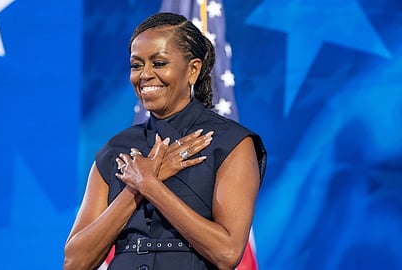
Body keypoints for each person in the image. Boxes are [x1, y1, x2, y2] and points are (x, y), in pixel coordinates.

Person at [64, 12, 266, 270]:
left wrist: (152, 185)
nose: (144, 75)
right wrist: (135, 189)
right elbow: (74, 262)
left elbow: (227, 253)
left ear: (192, 70)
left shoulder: (231, 143)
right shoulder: (117, 150)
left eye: (158, 63)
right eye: (137, 65)